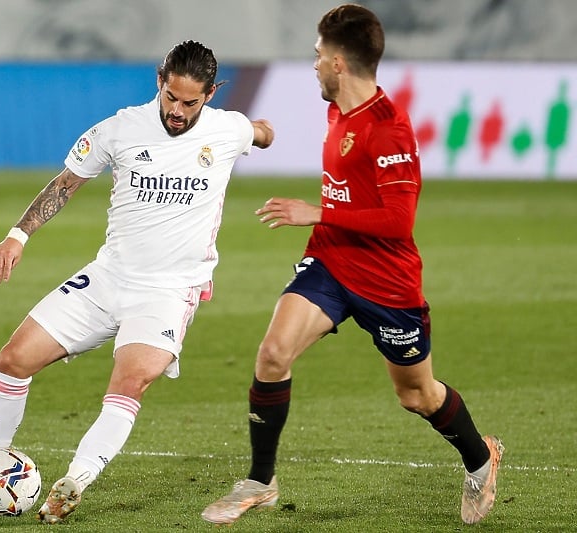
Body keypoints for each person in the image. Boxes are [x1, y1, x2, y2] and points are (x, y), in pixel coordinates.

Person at [0, 40, 274, 524]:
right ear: (160, 81)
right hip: (107, 277)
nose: (177, 112)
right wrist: (18, 236)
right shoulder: (120, 129)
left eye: (190, 102)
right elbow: (65, 183)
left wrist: (262, 133)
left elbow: (260, 132)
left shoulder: (228, 130)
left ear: (211, 93)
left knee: (129, 382)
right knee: (13, 360)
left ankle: (74, 482)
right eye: (171, 98)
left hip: (167, 292)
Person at [201, 4, 502, 526]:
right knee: (273, 353)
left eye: (318, 55)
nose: (313, 63)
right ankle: (260, 479)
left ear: (339, 62)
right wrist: (325, 222)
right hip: (331, 260)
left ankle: (481, 458)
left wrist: (318, 210)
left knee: (417, 395)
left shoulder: (388, 129)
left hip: (388, 281)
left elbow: (399, 220)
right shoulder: (336, 108)